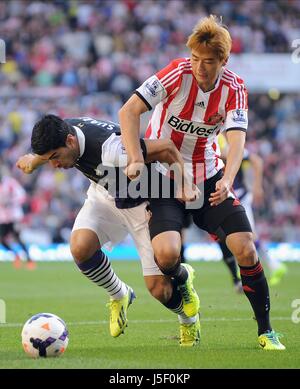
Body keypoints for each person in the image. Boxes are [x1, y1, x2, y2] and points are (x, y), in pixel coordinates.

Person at [118, 15, 285, 350]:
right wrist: (136, 157)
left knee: (246, 249)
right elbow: (129, 111)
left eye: (208, 61)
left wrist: (228, 178)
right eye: (195, 58)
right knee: (166, 257)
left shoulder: (234, 88)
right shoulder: (176, 73)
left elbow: (237, 140)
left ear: (223, 60)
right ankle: (184, 284)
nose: (199, 67)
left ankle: (266, 331)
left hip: (208, 177)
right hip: (164, 179)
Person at [16, 114, 200, 346]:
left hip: (143, 203)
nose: (55, 165)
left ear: (71, 141)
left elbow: (165, 148)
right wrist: (35, 160)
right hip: (106, 196)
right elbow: (57, 147)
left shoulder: (111, 149)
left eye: (55, 158)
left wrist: (185, 184)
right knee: (80, 247)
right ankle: (120, 294)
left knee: (160, 290)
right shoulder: (64, 131)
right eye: (48, 159)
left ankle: (189, 319)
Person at [218, 135, 287, 290]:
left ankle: (273, 266)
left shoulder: (226, 145)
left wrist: (257, 186)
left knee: (247, 235)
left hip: (238, 195)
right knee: (240, 236)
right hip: (227, 195)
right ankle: (272, 266)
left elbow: (256, 160)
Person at [0, 165, 36, 270]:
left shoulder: (10, 183)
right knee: (2, 240)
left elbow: (21, 195)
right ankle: (16, 254)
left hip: (14, 215)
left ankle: (29, 259)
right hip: (2, 217)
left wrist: (10, 201)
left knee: (17, 237)